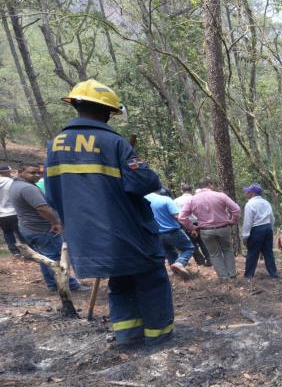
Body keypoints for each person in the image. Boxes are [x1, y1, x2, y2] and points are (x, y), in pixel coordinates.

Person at [45, 79, 174, 346]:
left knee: (120, 283)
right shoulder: (114, 143)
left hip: (87, 238)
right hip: (129, 232)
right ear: (108, 112)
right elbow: (146, 182)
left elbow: (53, 194)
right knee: (152, 281)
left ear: (76, 106)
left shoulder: (55, 145)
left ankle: (128, 336)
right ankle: (159, 339)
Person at [10, 164, 86, 292]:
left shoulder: (16, 185)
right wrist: (56, 223)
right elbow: (42, 208)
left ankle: (52, 284)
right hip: (42, 229)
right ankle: (70, 285)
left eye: (39, 173)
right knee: (54, 258)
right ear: (20, 171)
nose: (37, 175)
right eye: (32, 172)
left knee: (45, 258)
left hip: (29, 227)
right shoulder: (27, 188)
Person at [178, 178, 240, 279]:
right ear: (210, 185)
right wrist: (233, 221)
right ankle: (232, 274)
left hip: (206, 230)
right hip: (223, 228)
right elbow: (236, 209)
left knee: (214, 254)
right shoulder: (220, 195)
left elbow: (181, 217)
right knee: (227, 250)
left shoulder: (192, 199)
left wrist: (192, 227)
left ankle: (223, 277)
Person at [145, 188, 193, 278]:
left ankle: (177, 274)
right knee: (189, 248)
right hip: (172, 231)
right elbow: (177, 216)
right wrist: (190, 227)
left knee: (169, 252)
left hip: (156, 234)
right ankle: (180, 263)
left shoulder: (142, 200)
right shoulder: (165, 199)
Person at [240, 183, 277, 278]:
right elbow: (272, 218)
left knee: (252, 252)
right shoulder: (266, 202)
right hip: (267, 228)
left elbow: (248, 221)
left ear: (252, 193)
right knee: (268, 252)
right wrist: (270, 228)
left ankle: (248, 275)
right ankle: (273, 274)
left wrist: (245, 236)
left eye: (248, 191)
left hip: (256, 230)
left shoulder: (250, 204)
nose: (247, 193)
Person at [174, 182, 211, 266]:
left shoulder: (176, 201)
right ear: (191, 190)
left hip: (184, 223)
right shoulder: (197, 198)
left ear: (181, 190)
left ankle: (200, 261)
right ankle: (209, 258)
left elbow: (175, 214)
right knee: (203, 241)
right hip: (198, 222)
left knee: (191, 243)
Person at [0, 165, 24, 256]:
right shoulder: (12, 181)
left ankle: (15, 252)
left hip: (1, 214)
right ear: (7, 172)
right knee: (20, 232)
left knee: (7, 232)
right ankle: (28, 251)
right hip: (14, 212)